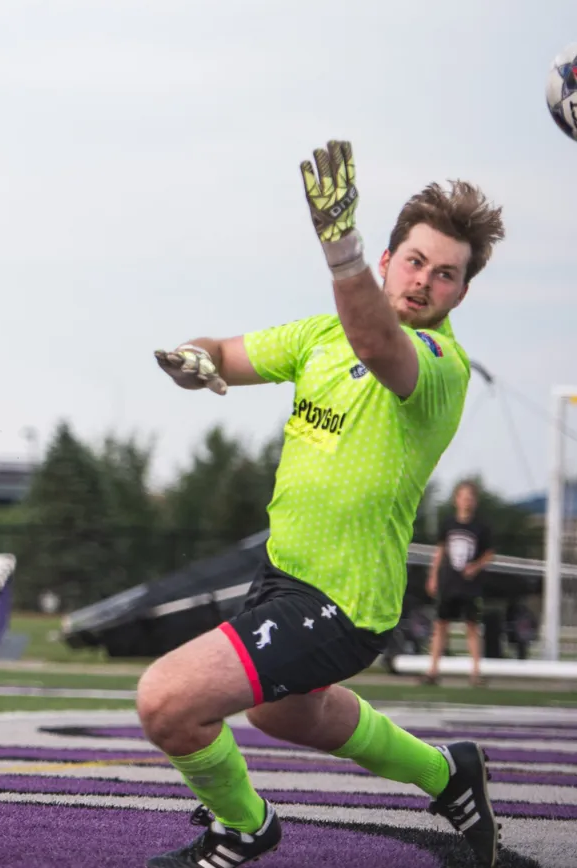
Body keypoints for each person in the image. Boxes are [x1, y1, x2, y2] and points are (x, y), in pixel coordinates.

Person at [144, 141, 505, 867]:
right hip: (284, 577)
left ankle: (243, 827)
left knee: (167, 700)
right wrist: (197, 358)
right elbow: (225, 350)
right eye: (414, 262)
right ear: (388, 262)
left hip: (344, 600)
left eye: (446, 275)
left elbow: (381, 344)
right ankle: (447, 774)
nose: (424, 283)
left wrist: (339, 246)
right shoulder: (320, 335)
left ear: (462, 294)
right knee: (282, 711)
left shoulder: (440, 366)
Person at [424, 479, 495, 687]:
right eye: (463, 497)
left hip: (469, 586)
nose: (466, 501)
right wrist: (433, 576)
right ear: (457, 499)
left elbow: (489, 553)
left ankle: (475, 672)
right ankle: (433, 670)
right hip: (448, 582)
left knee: (472, 627)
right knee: (440, 625)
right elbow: (440, 551)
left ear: (475, 501)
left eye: (470, 497)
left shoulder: (481, 526)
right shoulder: (448, 524)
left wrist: (475, 566)